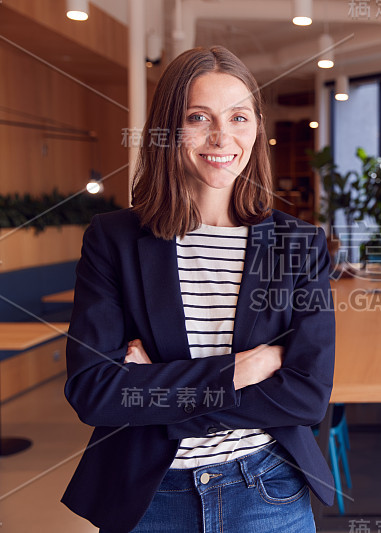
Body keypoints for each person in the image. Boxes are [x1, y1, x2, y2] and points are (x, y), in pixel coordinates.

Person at [61, 46, 335, 533]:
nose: (221, 136)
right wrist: (241, 369)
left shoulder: (301, 244)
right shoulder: (113, 240)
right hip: (151, 497)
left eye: (239, 117)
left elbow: (307, 397)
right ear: (168, 128)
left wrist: (157, 388)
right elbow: (94, 392)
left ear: (256, 128)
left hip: (267, 491)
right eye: (198, 117)